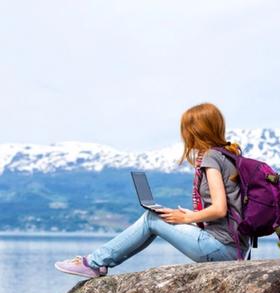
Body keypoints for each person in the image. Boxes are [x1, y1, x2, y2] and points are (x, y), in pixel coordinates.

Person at [54, 102, 251, 278]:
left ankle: (94, 263)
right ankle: (98, 263)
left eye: (186, 129)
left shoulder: (211, 157)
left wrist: (186, 219)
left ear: (196, 131)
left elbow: (220, 209)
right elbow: (227, 211)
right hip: (236, 248)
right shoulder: (229, 156)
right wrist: (192, 215)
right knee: (158, 217)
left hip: (222, 250)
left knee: (151, 218)